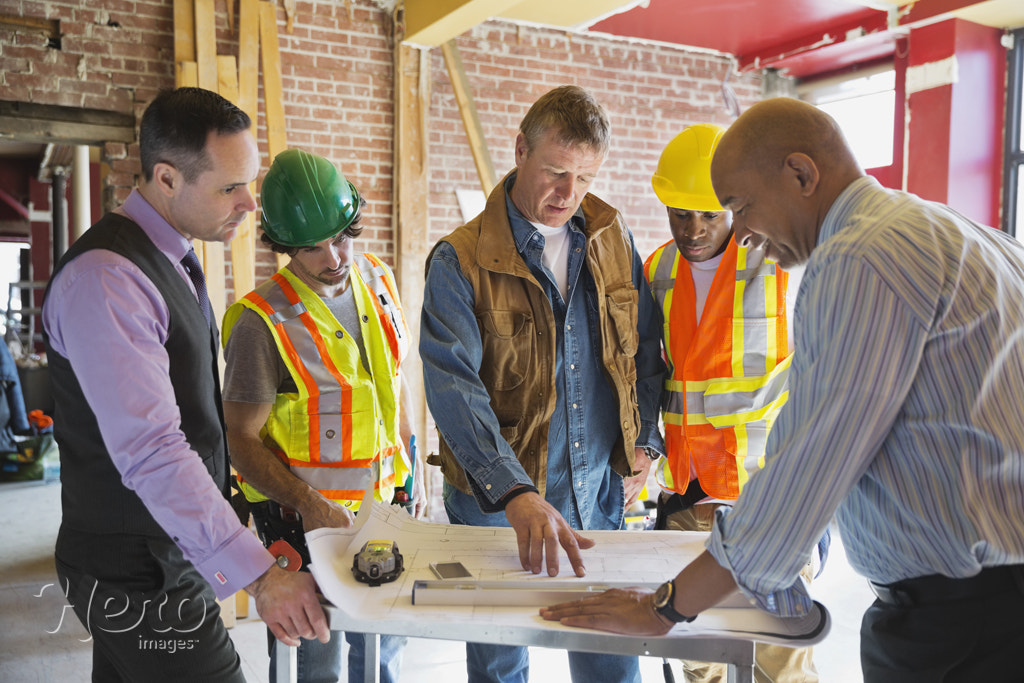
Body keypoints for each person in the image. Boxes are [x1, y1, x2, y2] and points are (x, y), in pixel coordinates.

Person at [541, 96, 1024, 681]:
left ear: (801, 174)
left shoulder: (859, 259)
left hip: (962, 622)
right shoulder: (977, 239)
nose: (738, 232)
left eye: (740, 207)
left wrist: (666, 606)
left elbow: (812, 464)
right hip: (979, 603)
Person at [42, 87, 329, 682]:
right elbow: (152, 450)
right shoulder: (108, 281)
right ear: (167, 178)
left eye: (249, 182)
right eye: (230, 187)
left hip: (159, 551)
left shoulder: (166, 256)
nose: (250, 203)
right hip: (136, 571)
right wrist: (261, 576)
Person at [420, 84, 666, 683]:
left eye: (583, 178)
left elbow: (644, 351)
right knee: (501, 659)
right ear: (520, 149)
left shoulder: (612, 237)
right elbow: (453, 388)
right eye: (557, 172)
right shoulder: (461, 259)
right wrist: (513, 491)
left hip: (596, 493)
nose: (569, 195)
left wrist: (647, 442)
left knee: (610, 654)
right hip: (496, 509)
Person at [221, 148, 420, 683]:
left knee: (384, 649)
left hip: (386, 507)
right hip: (302, 523)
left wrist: (412, 463)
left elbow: (392, 380)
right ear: (283, 246)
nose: (334, 257)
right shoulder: (260, 323)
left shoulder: (376, 279)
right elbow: (238, 439)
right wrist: (310, 504)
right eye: (312, 247)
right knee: (317, 662)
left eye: (342, 236)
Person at [644, 123, 817, 682]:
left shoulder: (778, 268)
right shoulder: (654, 272)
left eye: (707, 215)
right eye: (679, 214)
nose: (691, 230)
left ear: (733, 208)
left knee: (778, 660)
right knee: (700, 660)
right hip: (685, 502)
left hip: (765, 499)